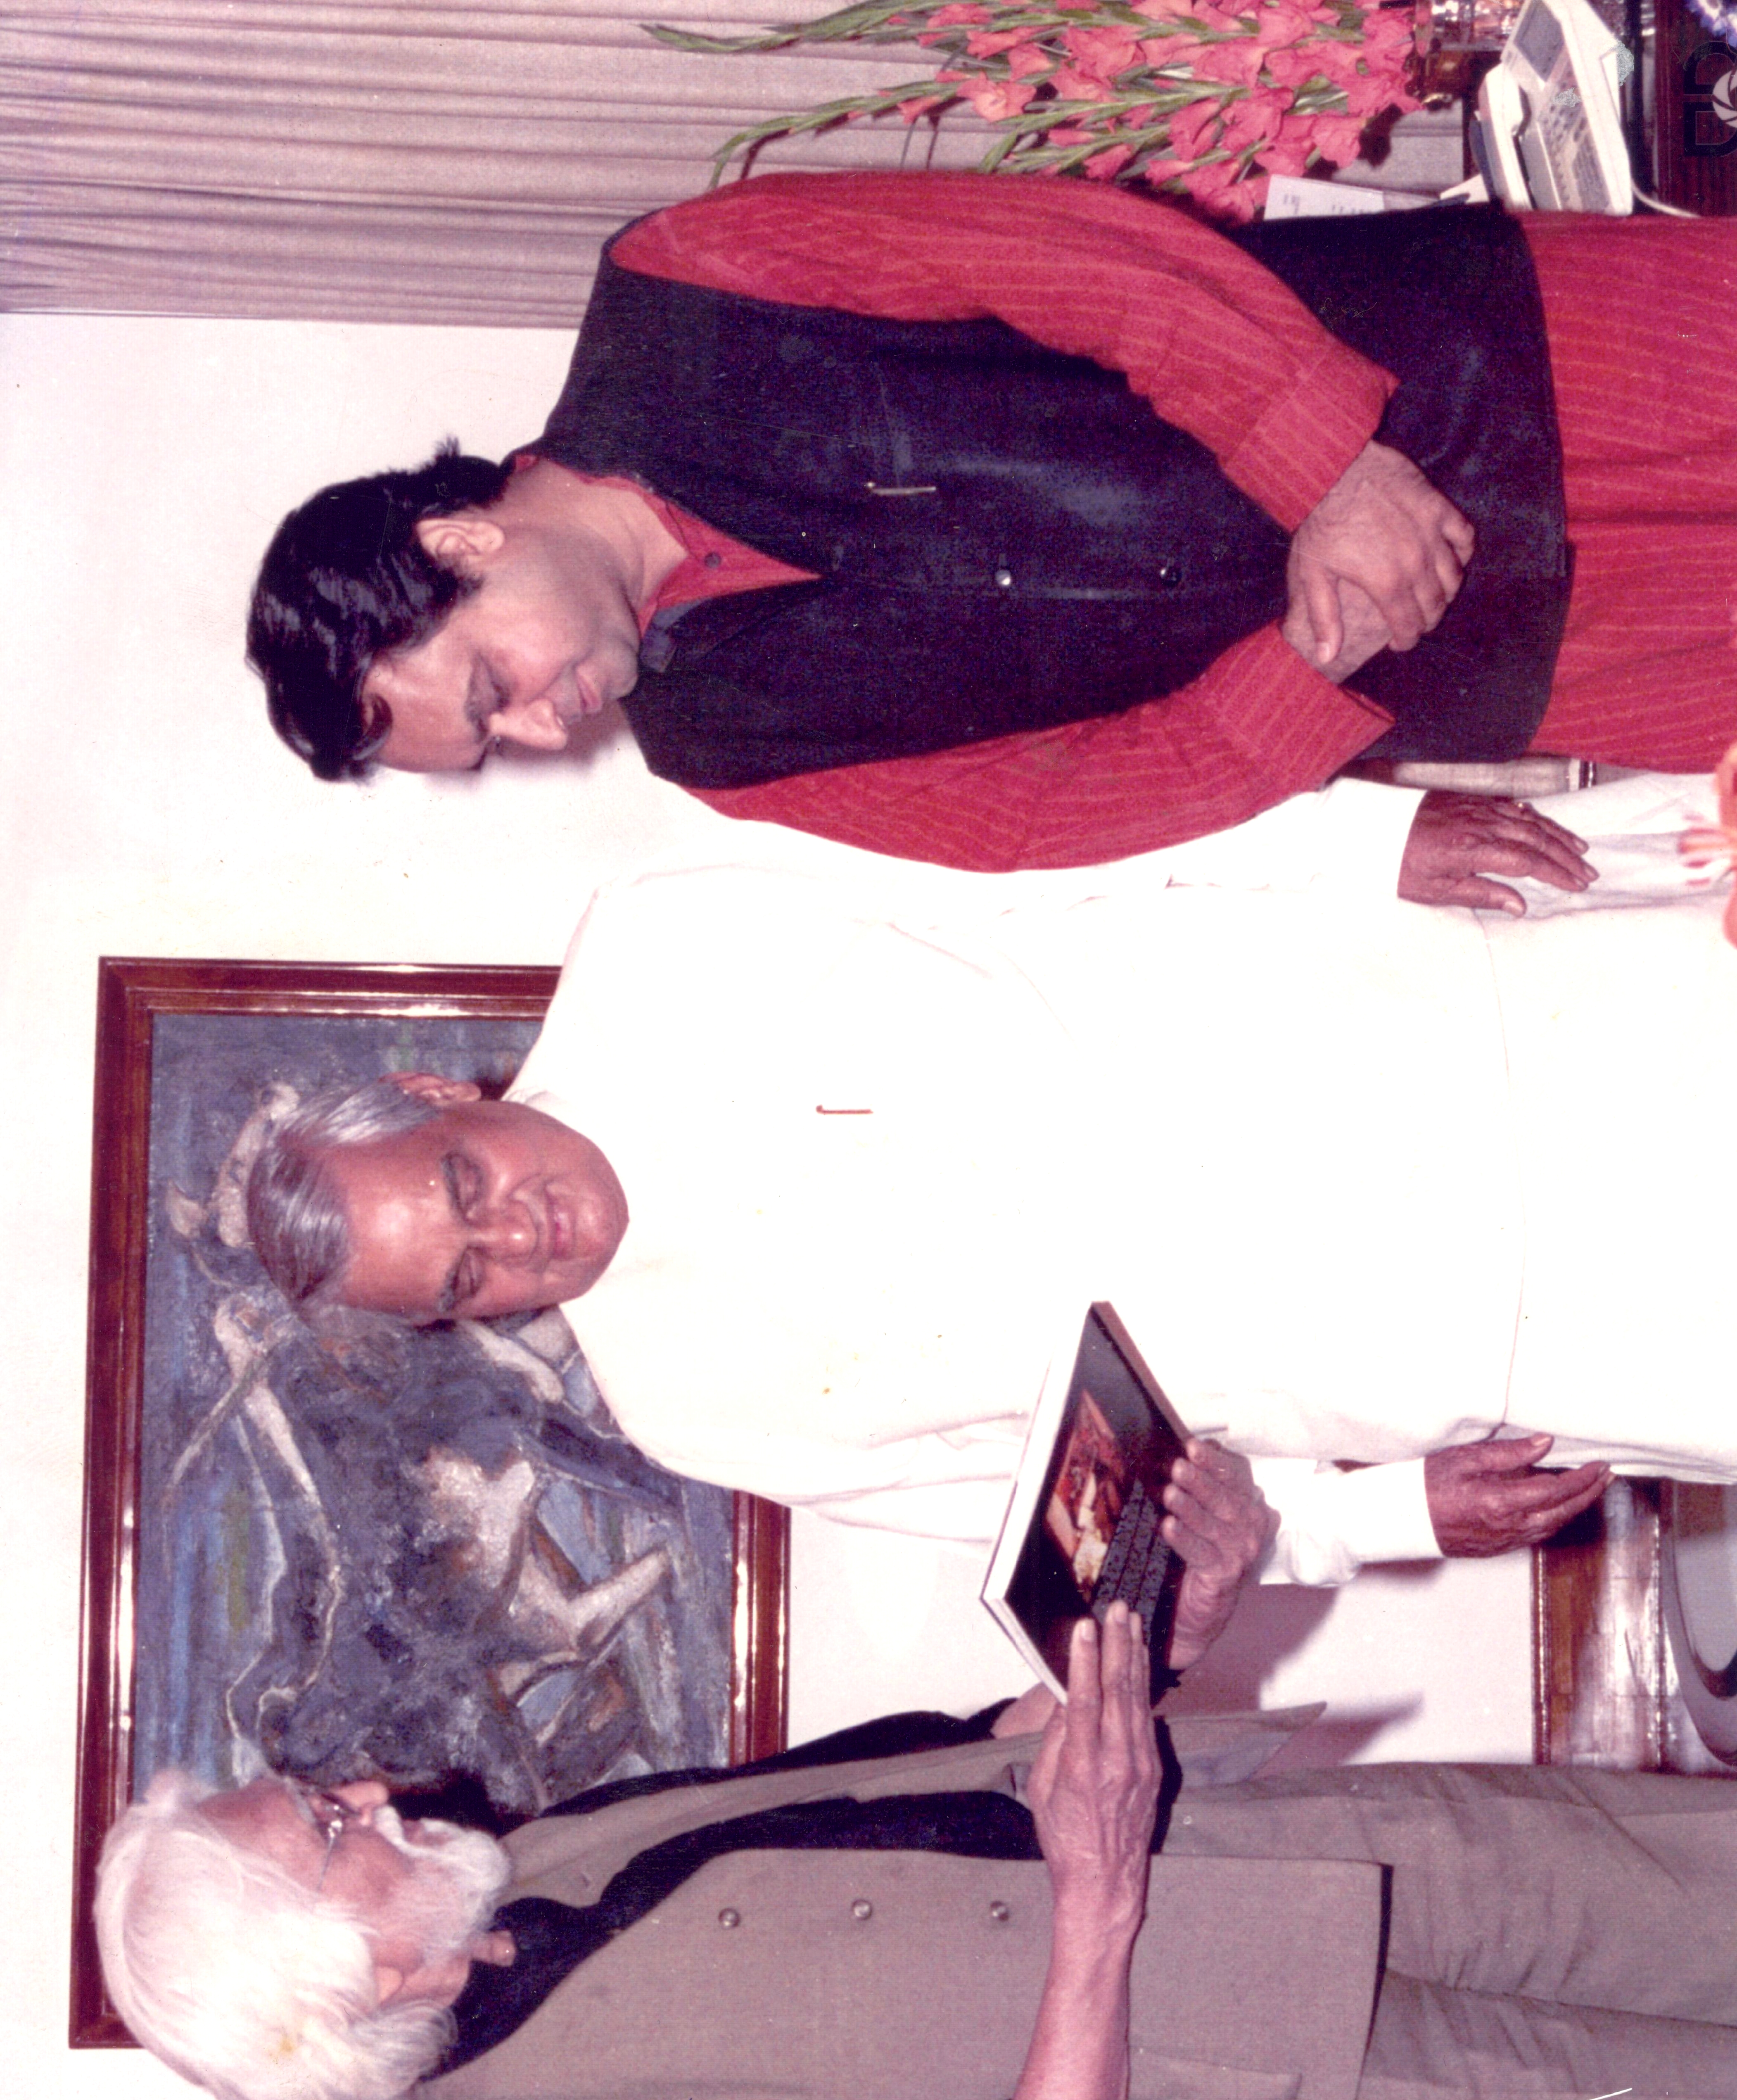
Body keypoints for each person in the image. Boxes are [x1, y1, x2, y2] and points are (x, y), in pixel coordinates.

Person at [98, 1581, 1737, 2100]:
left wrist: (1131, 1646)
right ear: (351, 1971)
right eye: (328, 1823)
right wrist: (1097, 1904)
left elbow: (916, 1768)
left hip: (1300, 1858)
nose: (367, 1786)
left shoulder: (527, 1858)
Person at [240, 771, 1737, 1587]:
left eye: (464, 1182)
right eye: (469, 1277)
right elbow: (1077, 1515)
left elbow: (1076, 828)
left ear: (438, 1095)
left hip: (1477, 1021)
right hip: (1477, 1334)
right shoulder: (687, 1407)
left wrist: (1361, 841)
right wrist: (1383, 1517)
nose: (516, 1235)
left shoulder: (661, 930)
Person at [247, 171, 1737, 884]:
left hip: (1505, 354)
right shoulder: (725, 755)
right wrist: (1305, 662)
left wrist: (1330, 466)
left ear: (459, 547)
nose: (538, 730)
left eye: (490, 691)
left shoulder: (678, 294)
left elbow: (1071, 262)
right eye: (498, 742)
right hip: (1511, 651)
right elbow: (1057, 811)